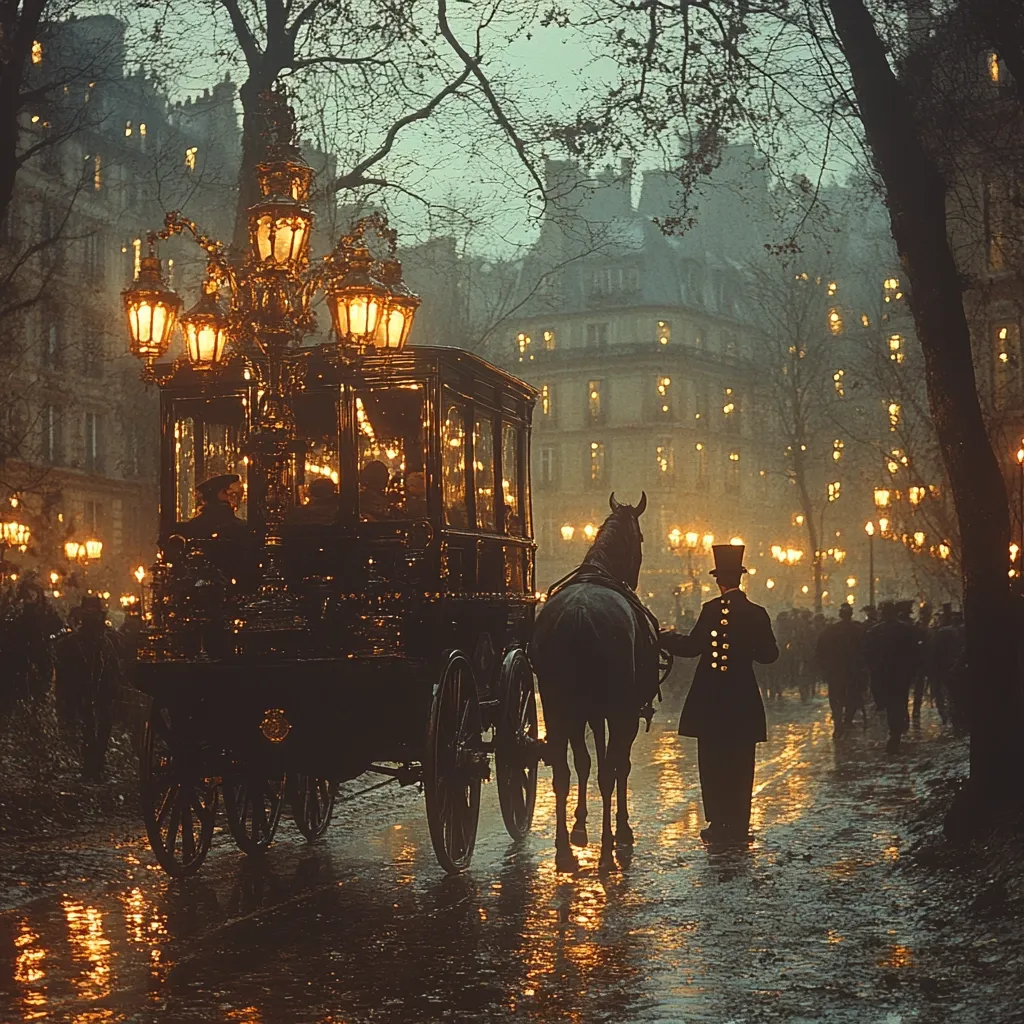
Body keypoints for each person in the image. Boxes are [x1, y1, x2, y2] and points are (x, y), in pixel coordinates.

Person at [659, 544, 779, 844]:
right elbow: (769, 655)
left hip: (710, 699)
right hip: (743, 699)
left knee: (712, 764)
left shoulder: (711, 610)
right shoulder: (757, 613)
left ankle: (717, 822)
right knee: (741, 764)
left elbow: (691, 647)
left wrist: (663, 638)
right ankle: (738, 825)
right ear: (740, 578)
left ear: (718, 580)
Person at [865, 601, 921, 754]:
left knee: (889, 703)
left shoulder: (874, 631)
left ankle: (895, 732)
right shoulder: (906, 630)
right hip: (901, 673)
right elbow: (914, 653)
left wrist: (873, 671)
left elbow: (868, 655)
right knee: (899, 701)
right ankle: (897, 730)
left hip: (883, 673)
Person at [815, 604, 868, 739]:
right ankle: (847, 720)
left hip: (835, 670)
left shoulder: (830, 631)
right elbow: (865, 651)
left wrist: (823, 668)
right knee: (852, 696)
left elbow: (820, 651)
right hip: (853, 670)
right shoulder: (858, 630)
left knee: (836, 697)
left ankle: (839, 722)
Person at [185, 473, 247, 540]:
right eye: (225, 492)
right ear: (216, 495)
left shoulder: (195, 524)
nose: (230, 496)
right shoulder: (236, 526)